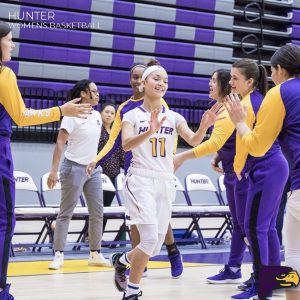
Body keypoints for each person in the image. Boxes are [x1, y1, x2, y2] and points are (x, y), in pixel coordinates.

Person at [108, 59, 222, 300]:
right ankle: (132, 291)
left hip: (165, 180)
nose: (162, 83)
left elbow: (193, 141)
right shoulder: (132, 115)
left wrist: (204, 127)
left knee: (154, 246)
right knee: (148, 239)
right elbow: (127, 145)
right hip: (140, 180)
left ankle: (122, 260)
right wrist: (149, 130)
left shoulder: (174, 117)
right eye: (156, 78)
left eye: (165, 81)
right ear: (144, 83)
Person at [175, 59, 288, 300]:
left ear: (250, 82)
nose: (230, 82)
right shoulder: (247, 101)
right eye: (229, 78)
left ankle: (262, 284)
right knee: (262, 227)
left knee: (255, 227)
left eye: (234, 79)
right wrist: (233, 165)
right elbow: (239, 142)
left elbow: (245, 142)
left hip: (266, 168)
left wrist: (237, 168)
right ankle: (273, 281)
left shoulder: (246, 104)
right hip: (266, 168)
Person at [0, 21, 92, 299]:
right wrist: (60, 110)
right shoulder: (4, 74)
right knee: (4, 220)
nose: (13, 44)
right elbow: (22, 116)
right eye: (9, 39)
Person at [86, 62, 184, 279]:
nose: (139, 81)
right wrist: (96, 159)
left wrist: (173, 159)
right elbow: (113, 141)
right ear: (131, 80)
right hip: (134, 164)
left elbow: (171, 135)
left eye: (142, 77)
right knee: (136, 219)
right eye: (135, 77)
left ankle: (172, 251)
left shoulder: (161, 102)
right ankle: (140, 261)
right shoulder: (125, 109)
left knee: (159, 218)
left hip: (159, 164)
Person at [225, 44, 300, 300]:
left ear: (278, 69)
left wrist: (239, 123)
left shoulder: (278, 93)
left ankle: (263, 287)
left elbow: (257, 146)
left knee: (289, 251)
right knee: (266, 229)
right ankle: (266, 284)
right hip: (282, 174)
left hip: (277, 173)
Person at [47, 80, 110, 270]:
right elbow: (60, 143)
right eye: (94, 91)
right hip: (72, 167)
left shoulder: (98, 116)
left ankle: (95, 253)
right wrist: (53, 170)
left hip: (93, 170)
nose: (98, 94)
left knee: (98, 212)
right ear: (83, 94)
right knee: (66, 212)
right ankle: (58, 254)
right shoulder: (71, 114)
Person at [98, 102, 125, 230]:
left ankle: (97, 235)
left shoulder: (116, 132)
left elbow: (120, 152)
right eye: (106, 112)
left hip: (113, 174)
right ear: (101, 113)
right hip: (100, 173)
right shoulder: (97, 129)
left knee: (106, 207)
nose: (109, 115)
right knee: (98, 207)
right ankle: (91, 235)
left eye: (112, 113)